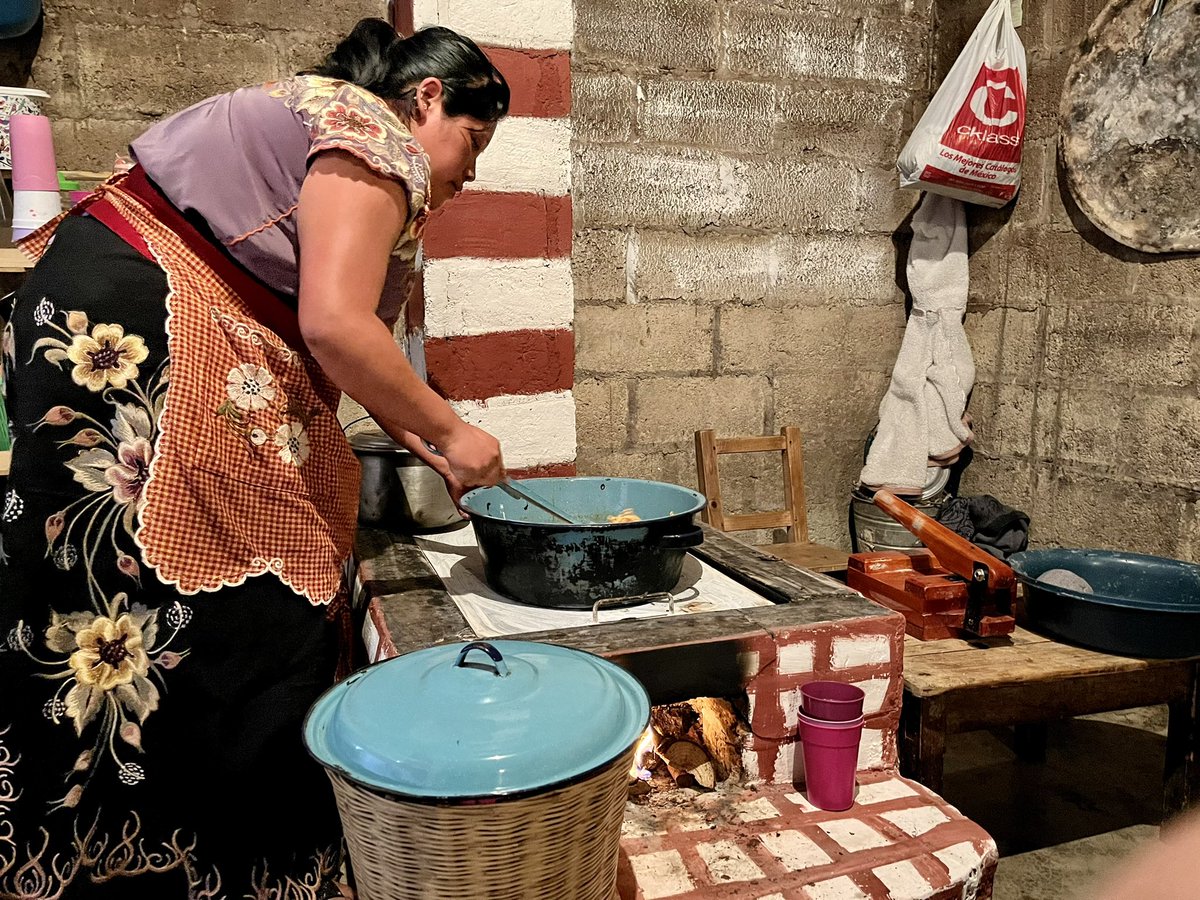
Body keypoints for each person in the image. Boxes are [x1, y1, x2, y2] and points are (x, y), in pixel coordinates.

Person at [0, 18, 507, 899]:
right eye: (471, 139)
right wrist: (458, 434)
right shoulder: (375, 133)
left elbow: (338, 333)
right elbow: (337, 324)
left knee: (107, 597)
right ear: (427, 98)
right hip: (147, 330)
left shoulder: (314, 117)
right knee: (255, 595)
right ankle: (235, 860)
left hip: (91, 308)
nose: (470, 168)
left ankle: (109, 850)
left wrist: (412, 420)